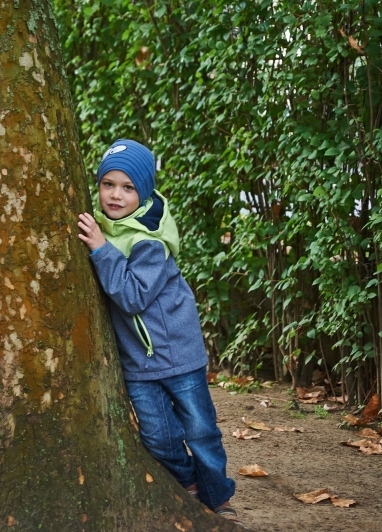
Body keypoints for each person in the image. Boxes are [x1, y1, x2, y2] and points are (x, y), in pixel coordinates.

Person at [77, 139, 242, 527]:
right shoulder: (102, 226)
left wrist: (102, 251)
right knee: (157, 436)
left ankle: (219, 499)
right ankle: (188, 485)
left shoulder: (149, 239)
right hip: (137, 361)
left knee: (201, 431)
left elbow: (133, 296)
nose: (115, 195)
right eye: (107, 184)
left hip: (178, 353)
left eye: (128, 187)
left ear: (145, 191)